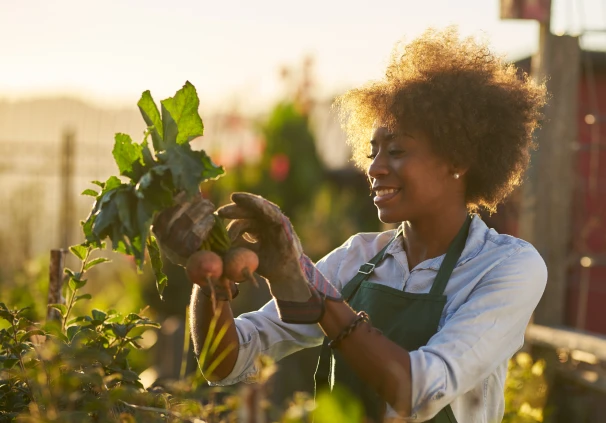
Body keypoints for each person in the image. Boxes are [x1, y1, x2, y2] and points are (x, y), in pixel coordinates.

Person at [153, 27, 548, 423]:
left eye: (396, 151)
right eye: (372, 151)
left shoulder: (506, 267)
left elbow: (422, 390)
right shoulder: (359, 258)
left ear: (458, 160)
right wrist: (210, 278)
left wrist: (319, 298)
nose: (374, 168)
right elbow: (225, 362)